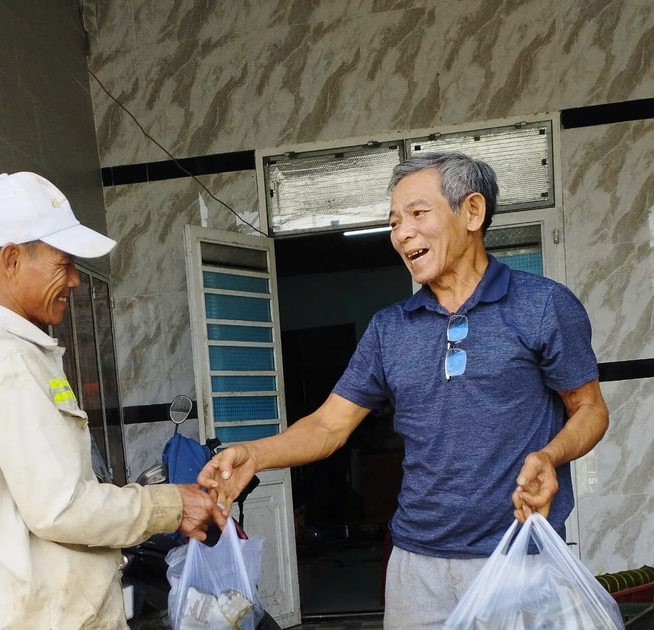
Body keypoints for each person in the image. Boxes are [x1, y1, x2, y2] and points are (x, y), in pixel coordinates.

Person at [198, 152, 609, 628]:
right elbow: (330, 425)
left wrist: (550, 456)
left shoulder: (542, 306)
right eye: (394, 222)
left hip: (518, 557)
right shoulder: (389, 329)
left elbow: (591, 409)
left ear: (472, 212)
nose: (401, 234)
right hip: (417, 567)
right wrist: (255, 453)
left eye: (417, 214)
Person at [0, 171, 224, 629]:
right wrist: (170, 504)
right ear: (11, 259)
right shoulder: (10, 364)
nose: (73, 280)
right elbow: (62, 507)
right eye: (62, 263)